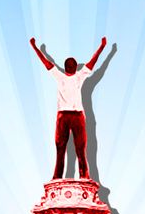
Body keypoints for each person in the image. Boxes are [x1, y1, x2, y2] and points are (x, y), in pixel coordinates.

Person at [30, 36, 107, 180]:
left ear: (66, 68)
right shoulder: (78, 76)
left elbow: (46, 63)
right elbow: (92, 62)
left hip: (64, 116)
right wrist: (102, 47)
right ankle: (81, 176)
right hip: (74, 115)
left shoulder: (60, 76)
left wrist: (35, 47)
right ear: (74, 66)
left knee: (64, 149)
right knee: (77, 149)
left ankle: (61, 177)